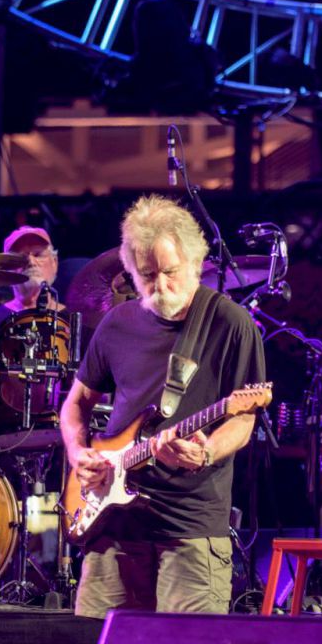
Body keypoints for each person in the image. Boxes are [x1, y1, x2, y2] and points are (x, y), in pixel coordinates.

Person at [59, 196, 265, 618]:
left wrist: (206, 451)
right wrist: (79, 453)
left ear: (195, 261)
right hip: (112, 526)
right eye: (147, 276)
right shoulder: (117, 324)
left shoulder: (229, 322)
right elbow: (76, 404)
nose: (161, 286)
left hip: (189, 528)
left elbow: (243, 419)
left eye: (170, 272)